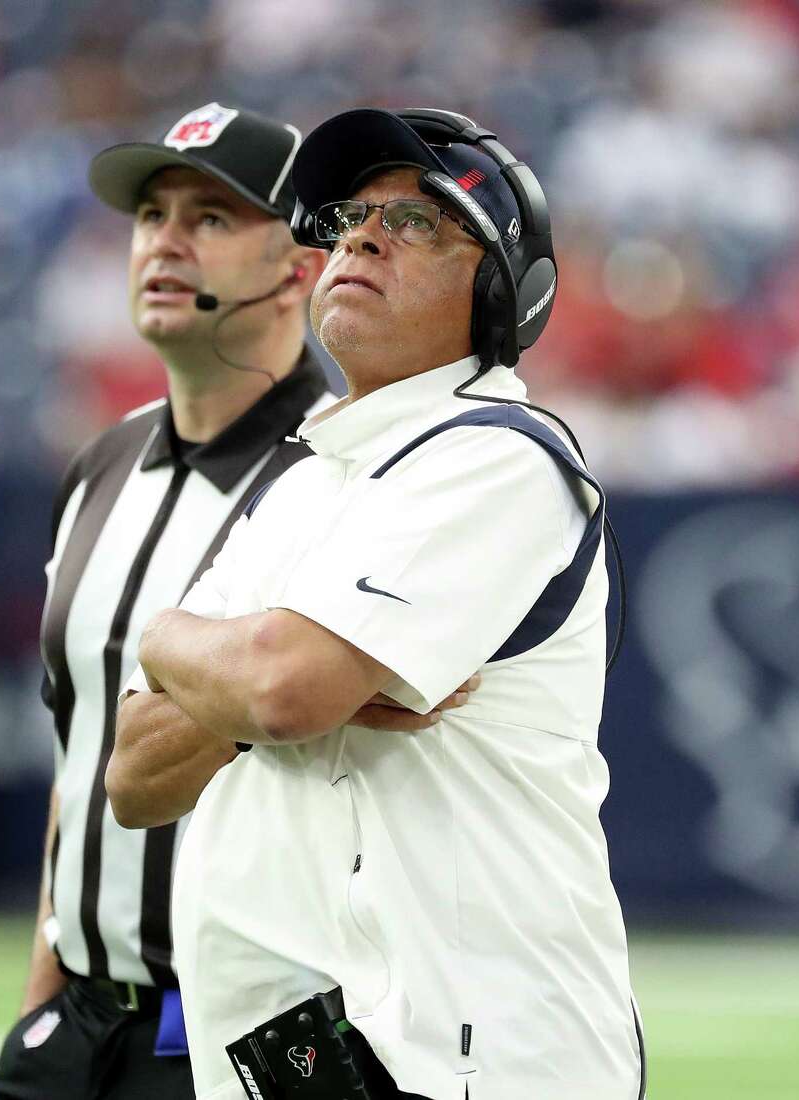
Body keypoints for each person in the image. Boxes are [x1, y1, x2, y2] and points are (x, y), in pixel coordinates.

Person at [111, 107, 642, 1100]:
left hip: (476, 1055)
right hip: (303, 1061)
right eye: (352, 217)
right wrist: (179, 635)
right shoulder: (298, 479)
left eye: (417, 223)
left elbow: (280, 687)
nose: (356, 235)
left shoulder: (497, 459)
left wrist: (246, 668)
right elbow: (136, 773)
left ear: (501, 290)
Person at [0, 102, 473, 1100]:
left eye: (211, 217)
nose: (165, 240)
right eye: (150, 214)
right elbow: (81, 756)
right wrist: (46, 993)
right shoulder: (100, 465)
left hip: (252, 1026)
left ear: (302, 264)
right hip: (79, 1021)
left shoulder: (356, 467)